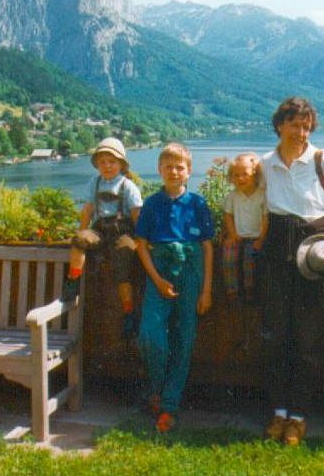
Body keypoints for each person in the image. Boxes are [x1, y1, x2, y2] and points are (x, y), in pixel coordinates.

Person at [260, 97, 324, 446]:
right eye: (295, 124)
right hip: (275, 252)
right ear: (280, 125)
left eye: (306, 126)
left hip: (314, 250)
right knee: (275, 337)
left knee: (308, 339)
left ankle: (298, 418)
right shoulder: (264, 164)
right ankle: (279, 413)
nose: (301, 132)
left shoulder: (320, 159)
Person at [135, 142, 215, 432]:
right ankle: (157, 390)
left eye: (179, 166)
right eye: (168, 166)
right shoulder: (152, 204)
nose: (174, 171)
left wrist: (206, 290)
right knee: (150, 336)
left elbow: (207, 248)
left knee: (185, 338)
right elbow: (141, 246)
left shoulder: (198, 204)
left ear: (189, 171)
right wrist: (157, 279)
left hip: (191, 270)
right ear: (159, 170)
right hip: (158, 270)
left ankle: (169, 406)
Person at [66, 137, 142, 338]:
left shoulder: (128, 186)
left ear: (121, 164)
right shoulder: (95, 182)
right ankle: (73, 281)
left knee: (124, 259)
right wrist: (81, 231)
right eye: (102, 162)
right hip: (99, 230)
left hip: (122, 232)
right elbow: (88, 209)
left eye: (112, 162)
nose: (107, 166)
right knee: (79, 241)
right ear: (98, 165)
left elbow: (136, 216)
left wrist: (141, 239)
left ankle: (128, 312)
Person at [222, 152, 268, 302]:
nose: (240, 178)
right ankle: (232, 290)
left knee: (249, 262)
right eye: (236, 175)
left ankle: (249, 291)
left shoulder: (262, 195)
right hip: (238, 235)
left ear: (254, 173)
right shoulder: (233, 196)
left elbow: (265, 218)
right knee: (228, 258)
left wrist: (261, 239)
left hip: (255, 237)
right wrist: (232, 234)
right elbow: (228, 215)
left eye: (244, 174)